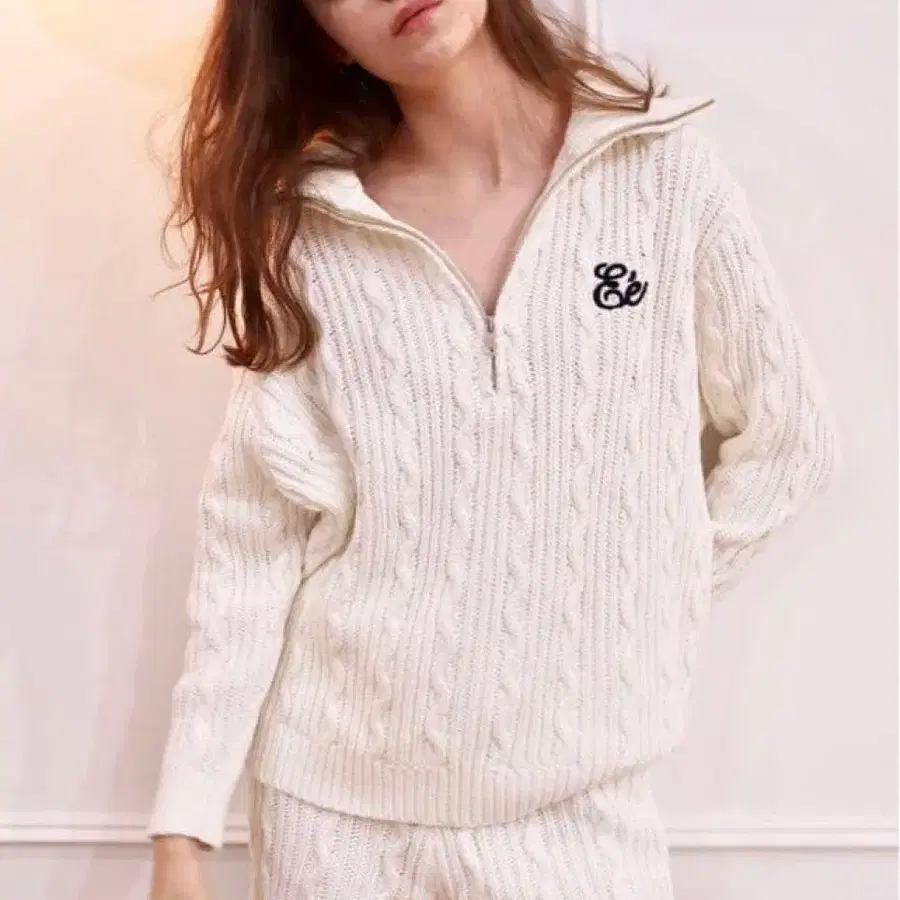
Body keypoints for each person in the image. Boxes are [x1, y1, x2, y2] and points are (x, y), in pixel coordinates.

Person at [145, 0, 841, 896]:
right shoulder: (314, 237)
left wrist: (634, 594)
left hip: (582, 806)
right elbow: (251, 545)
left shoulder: (660, 175)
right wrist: (181, 831)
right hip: (340, 816)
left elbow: (789, 443)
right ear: (319, 33)